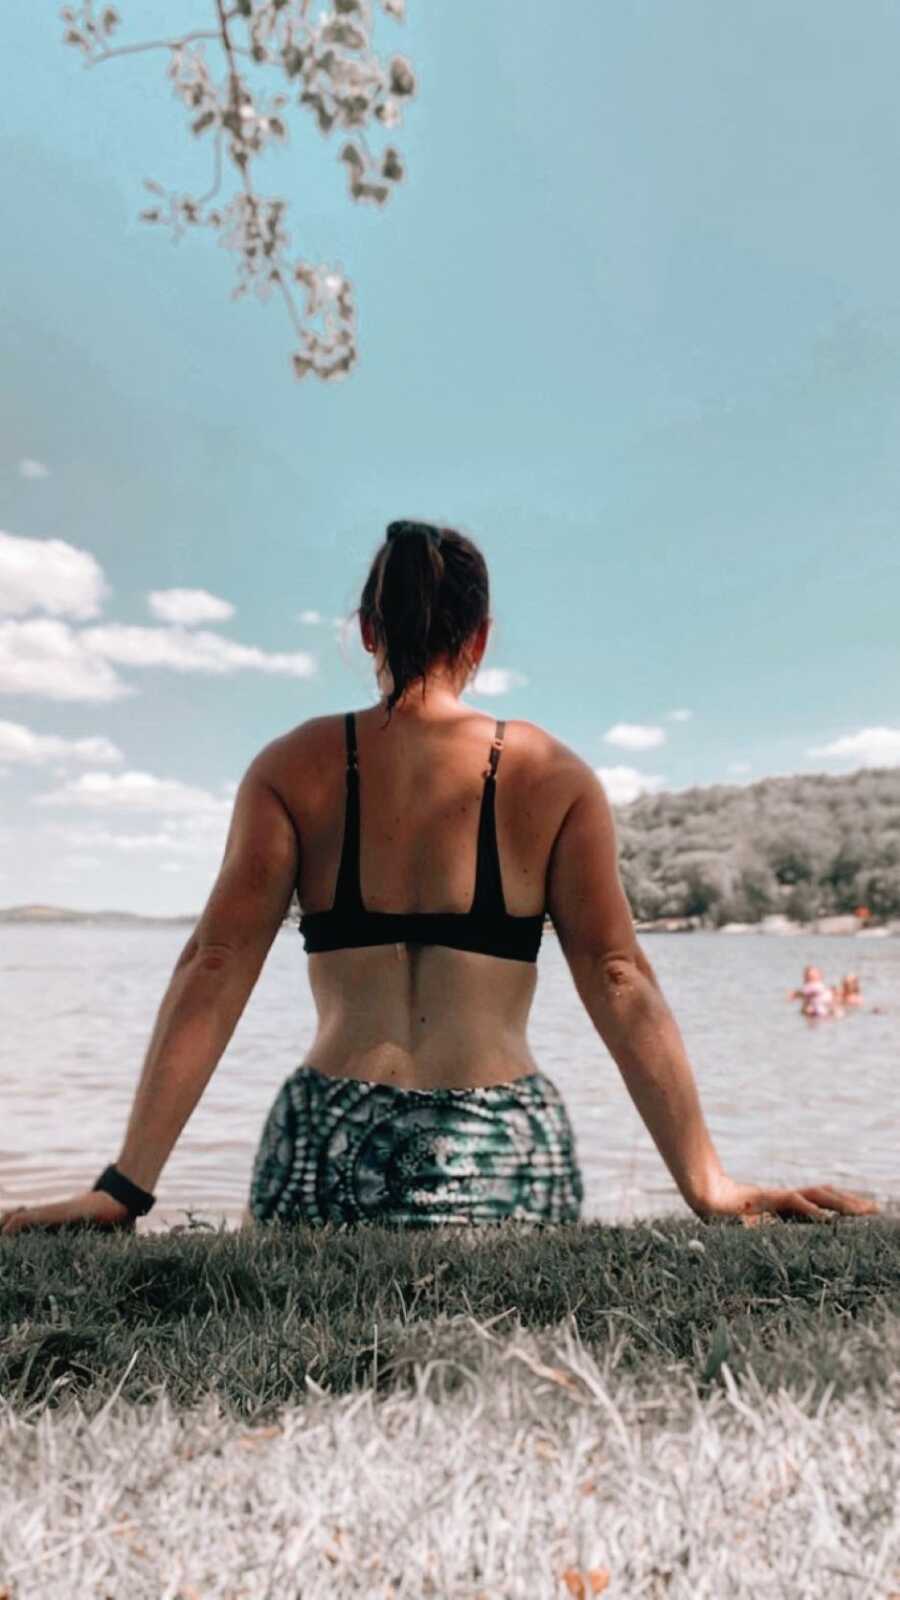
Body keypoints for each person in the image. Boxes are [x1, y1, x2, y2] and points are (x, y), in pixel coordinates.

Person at [0, 522, 878, 1237]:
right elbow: (619, 977)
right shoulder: (552, 775)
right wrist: (708, 1182)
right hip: (505, 1152)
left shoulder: (293, 767)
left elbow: (215, 965)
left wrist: (125, 1186)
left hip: (329, 1150)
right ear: (481, 639)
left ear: (370, 632)